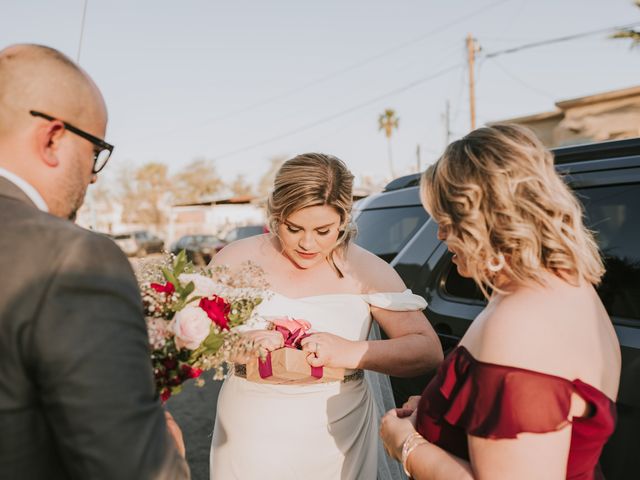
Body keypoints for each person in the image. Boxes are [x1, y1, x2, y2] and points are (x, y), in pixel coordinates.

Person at [380, 124, 621, 479]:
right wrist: (435, 414)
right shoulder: (570, 288)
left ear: (480, 222)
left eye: (445, 222)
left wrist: (406, 445)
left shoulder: (522, 324)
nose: (440, 235)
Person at [0, 44, 189, 480]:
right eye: (95, 151)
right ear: (52, 138)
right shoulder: (73, 258)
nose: (93, 174)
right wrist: (170, 455)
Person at [209, 153, 443, 479]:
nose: (307, 243)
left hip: (339, 432)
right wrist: (235, 342)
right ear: (275, 213)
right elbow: (193, 341)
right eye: (293, 228)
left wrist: (349, 351)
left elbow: (427, 351)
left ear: (344, 218)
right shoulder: (234, 258)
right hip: (249, 429)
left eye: (323, 230)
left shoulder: (368, 270)